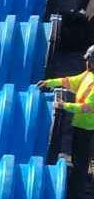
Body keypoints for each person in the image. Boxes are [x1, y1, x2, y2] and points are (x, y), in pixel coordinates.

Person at [37, 46, 94, 186]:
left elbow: (87, 108)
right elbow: (68, 81)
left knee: (81, 157)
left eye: (89, 61)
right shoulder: (88, 75)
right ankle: (78, 180)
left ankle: (78, 186)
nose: (86, 63)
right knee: (77, 155)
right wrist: (48, 83)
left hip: (87, 127)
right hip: (80, 124)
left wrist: (64, 106)